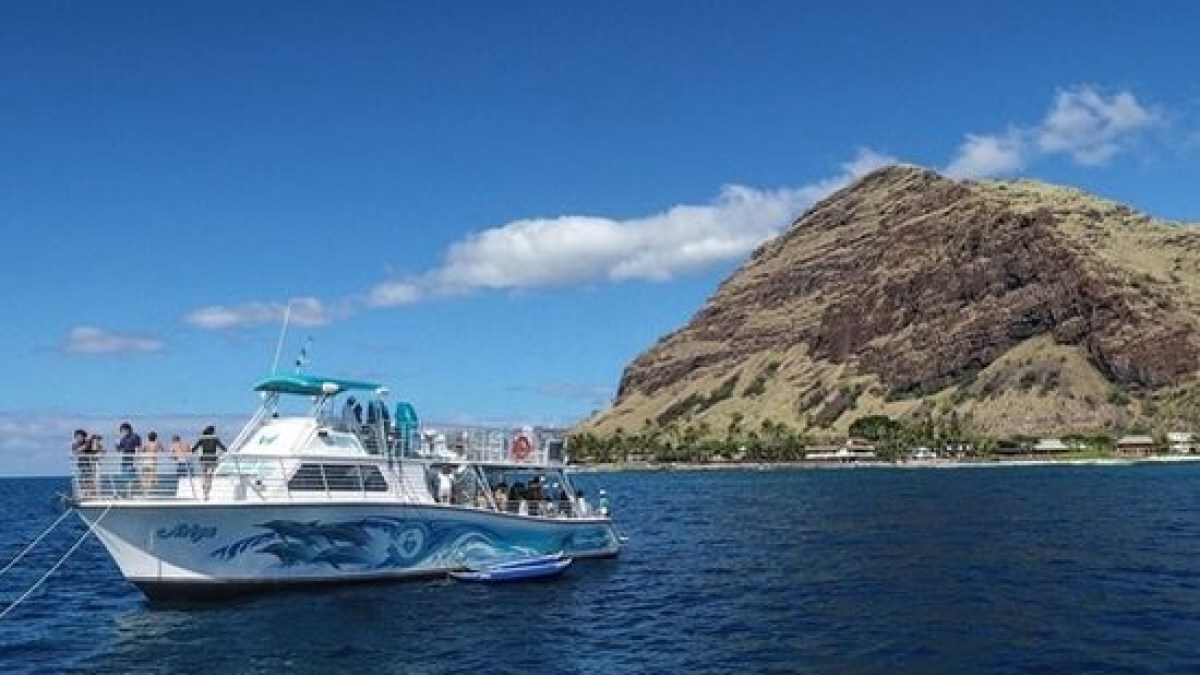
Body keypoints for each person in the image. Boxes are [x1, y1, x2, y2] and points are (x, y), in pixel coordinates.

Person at [191, 425, 227, 499]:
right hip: (212, 458)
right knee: (210, 476)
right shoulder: (215, 439)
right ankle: (207, 492)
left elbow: (194, 448)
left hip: (204, 458)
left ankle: (204, 486)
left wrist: (191, 450)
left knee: (204, 473)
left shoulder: (202, 438)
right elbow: (223, 447)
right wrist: (225, 452)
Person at [72, 429, 95, 495]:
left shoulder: (88, 444)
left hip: (89, 464)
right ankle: (84, 493)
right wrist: (88, 441)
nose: (79, 438)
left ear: (84, 437)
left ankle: (90, 494)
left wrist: (90, 441)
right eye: (77, 436)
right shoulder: (74, 445)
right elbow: (76, 451)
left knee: (89, 479)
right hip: (81, 465)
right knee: (82, 479)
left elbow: (91, 449)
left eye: (80, 436)